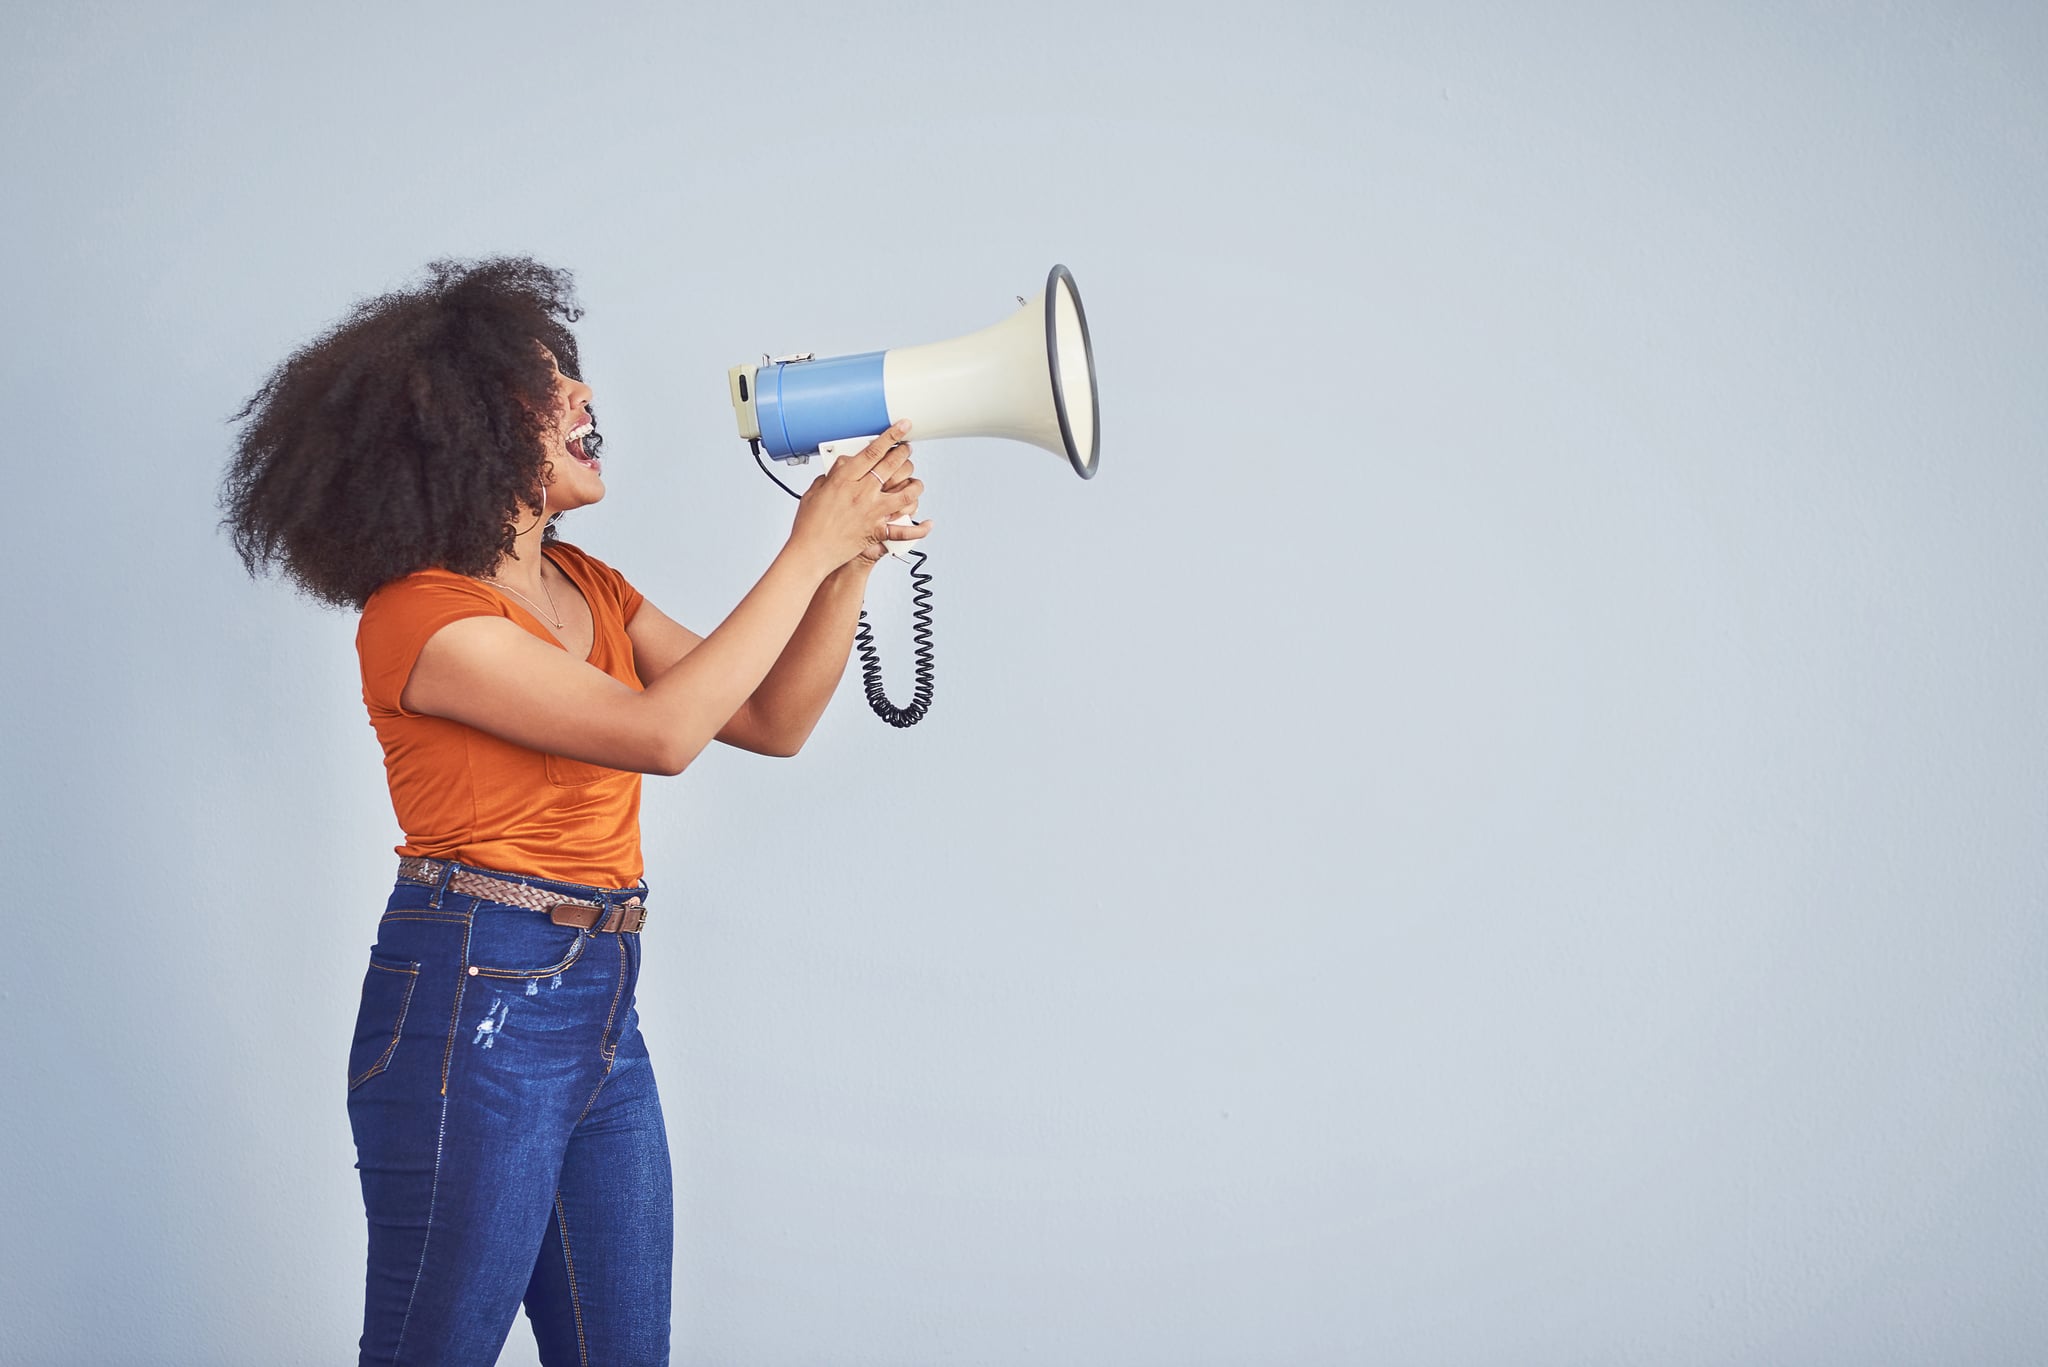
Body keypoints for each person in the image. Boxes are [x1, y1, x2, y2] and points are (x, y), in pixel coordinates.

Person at [221, 256, 927, 1366]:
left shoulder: (587, 584)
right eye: (544, 387)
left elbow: (774, 718)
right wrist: (806, 546)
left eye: (573, 376)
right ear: (458, 428)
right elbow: (662, 735)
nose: (584, 400)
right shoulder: (420, 619)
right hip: (472, 995)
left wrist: (850, 563)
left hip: (599, 996)